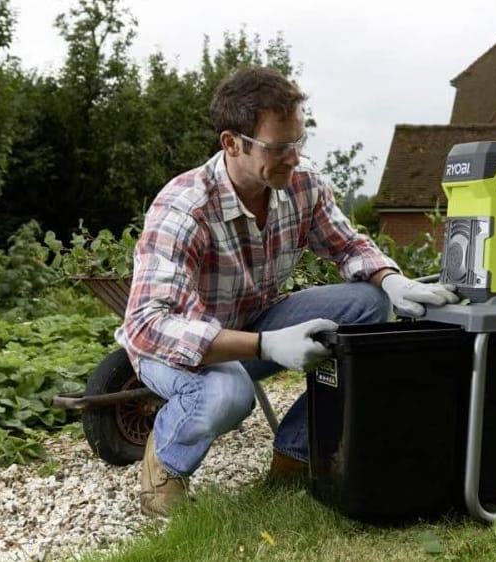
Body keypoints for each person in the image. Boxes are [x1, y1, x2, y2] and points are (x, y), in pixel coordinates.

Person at [116, 66, 458, 517]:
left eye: (298, 142)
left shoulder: (302, 185)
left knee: (367, 304)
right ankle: (165, 470)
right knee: (227, 394)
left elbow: (348, 244)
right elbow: (146, 326)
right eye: (279, 148)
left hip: (253, 321)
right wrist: (268, 345)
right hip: (178, 347)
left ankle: (295, 455)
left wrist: (392, 280)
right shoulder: (185, 208)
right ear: (231, 143)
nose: (294, 158)